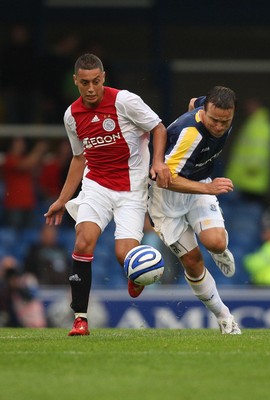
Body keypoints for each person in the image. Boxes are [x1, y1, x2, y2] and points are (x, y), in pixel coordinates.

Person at [44, 53, 171, 336]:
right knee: (84, 241)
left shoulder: (125, 101)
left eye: (96, 81)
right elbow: (79, 159)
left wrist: (158, 162)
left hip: (131, 189)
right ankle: (80, 318)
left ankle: (135, 275)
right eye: (85, 83)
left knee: (123, 256)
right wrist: (62, 200)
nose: (91, 88)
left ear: (104, 78)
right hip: (96, 186)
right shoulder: (71, 116)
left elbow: (158, 127)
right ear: (75, 81)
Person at [147, 86, 241, 334]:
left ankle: (219, 251)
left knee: (216, 242)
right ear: (204, 112)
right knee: (192, 261)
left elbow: (192, 100)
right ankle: (224, 316)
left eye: (225, 121)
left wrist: (204, 188)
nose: (219, 127)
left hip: (197, 187)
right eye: (214, 121)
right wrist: (209, 190)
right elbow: (165, 179)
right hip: (166, 201)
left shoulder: (208, 106)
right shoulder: (190, 135)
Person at [2, 137, 48, 229]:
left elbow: (37, 172)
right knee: (13, 233)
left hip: (29, 203)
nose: (21, 145)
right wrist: (38, 150)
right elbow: (24, 165)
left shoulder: (25, 158)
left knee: (29, 233)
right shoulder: (9, 158)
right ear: (12, 145)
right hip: (14, 204)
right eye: (18, 143)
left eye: (22, 143)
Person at [243, 212, 270, 286]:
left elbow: (252, 265)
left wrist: (249, 260)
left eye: (267, 230)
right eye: (264, 230)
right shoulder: (265, 245)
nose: (264, 233)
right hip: (263, 285)